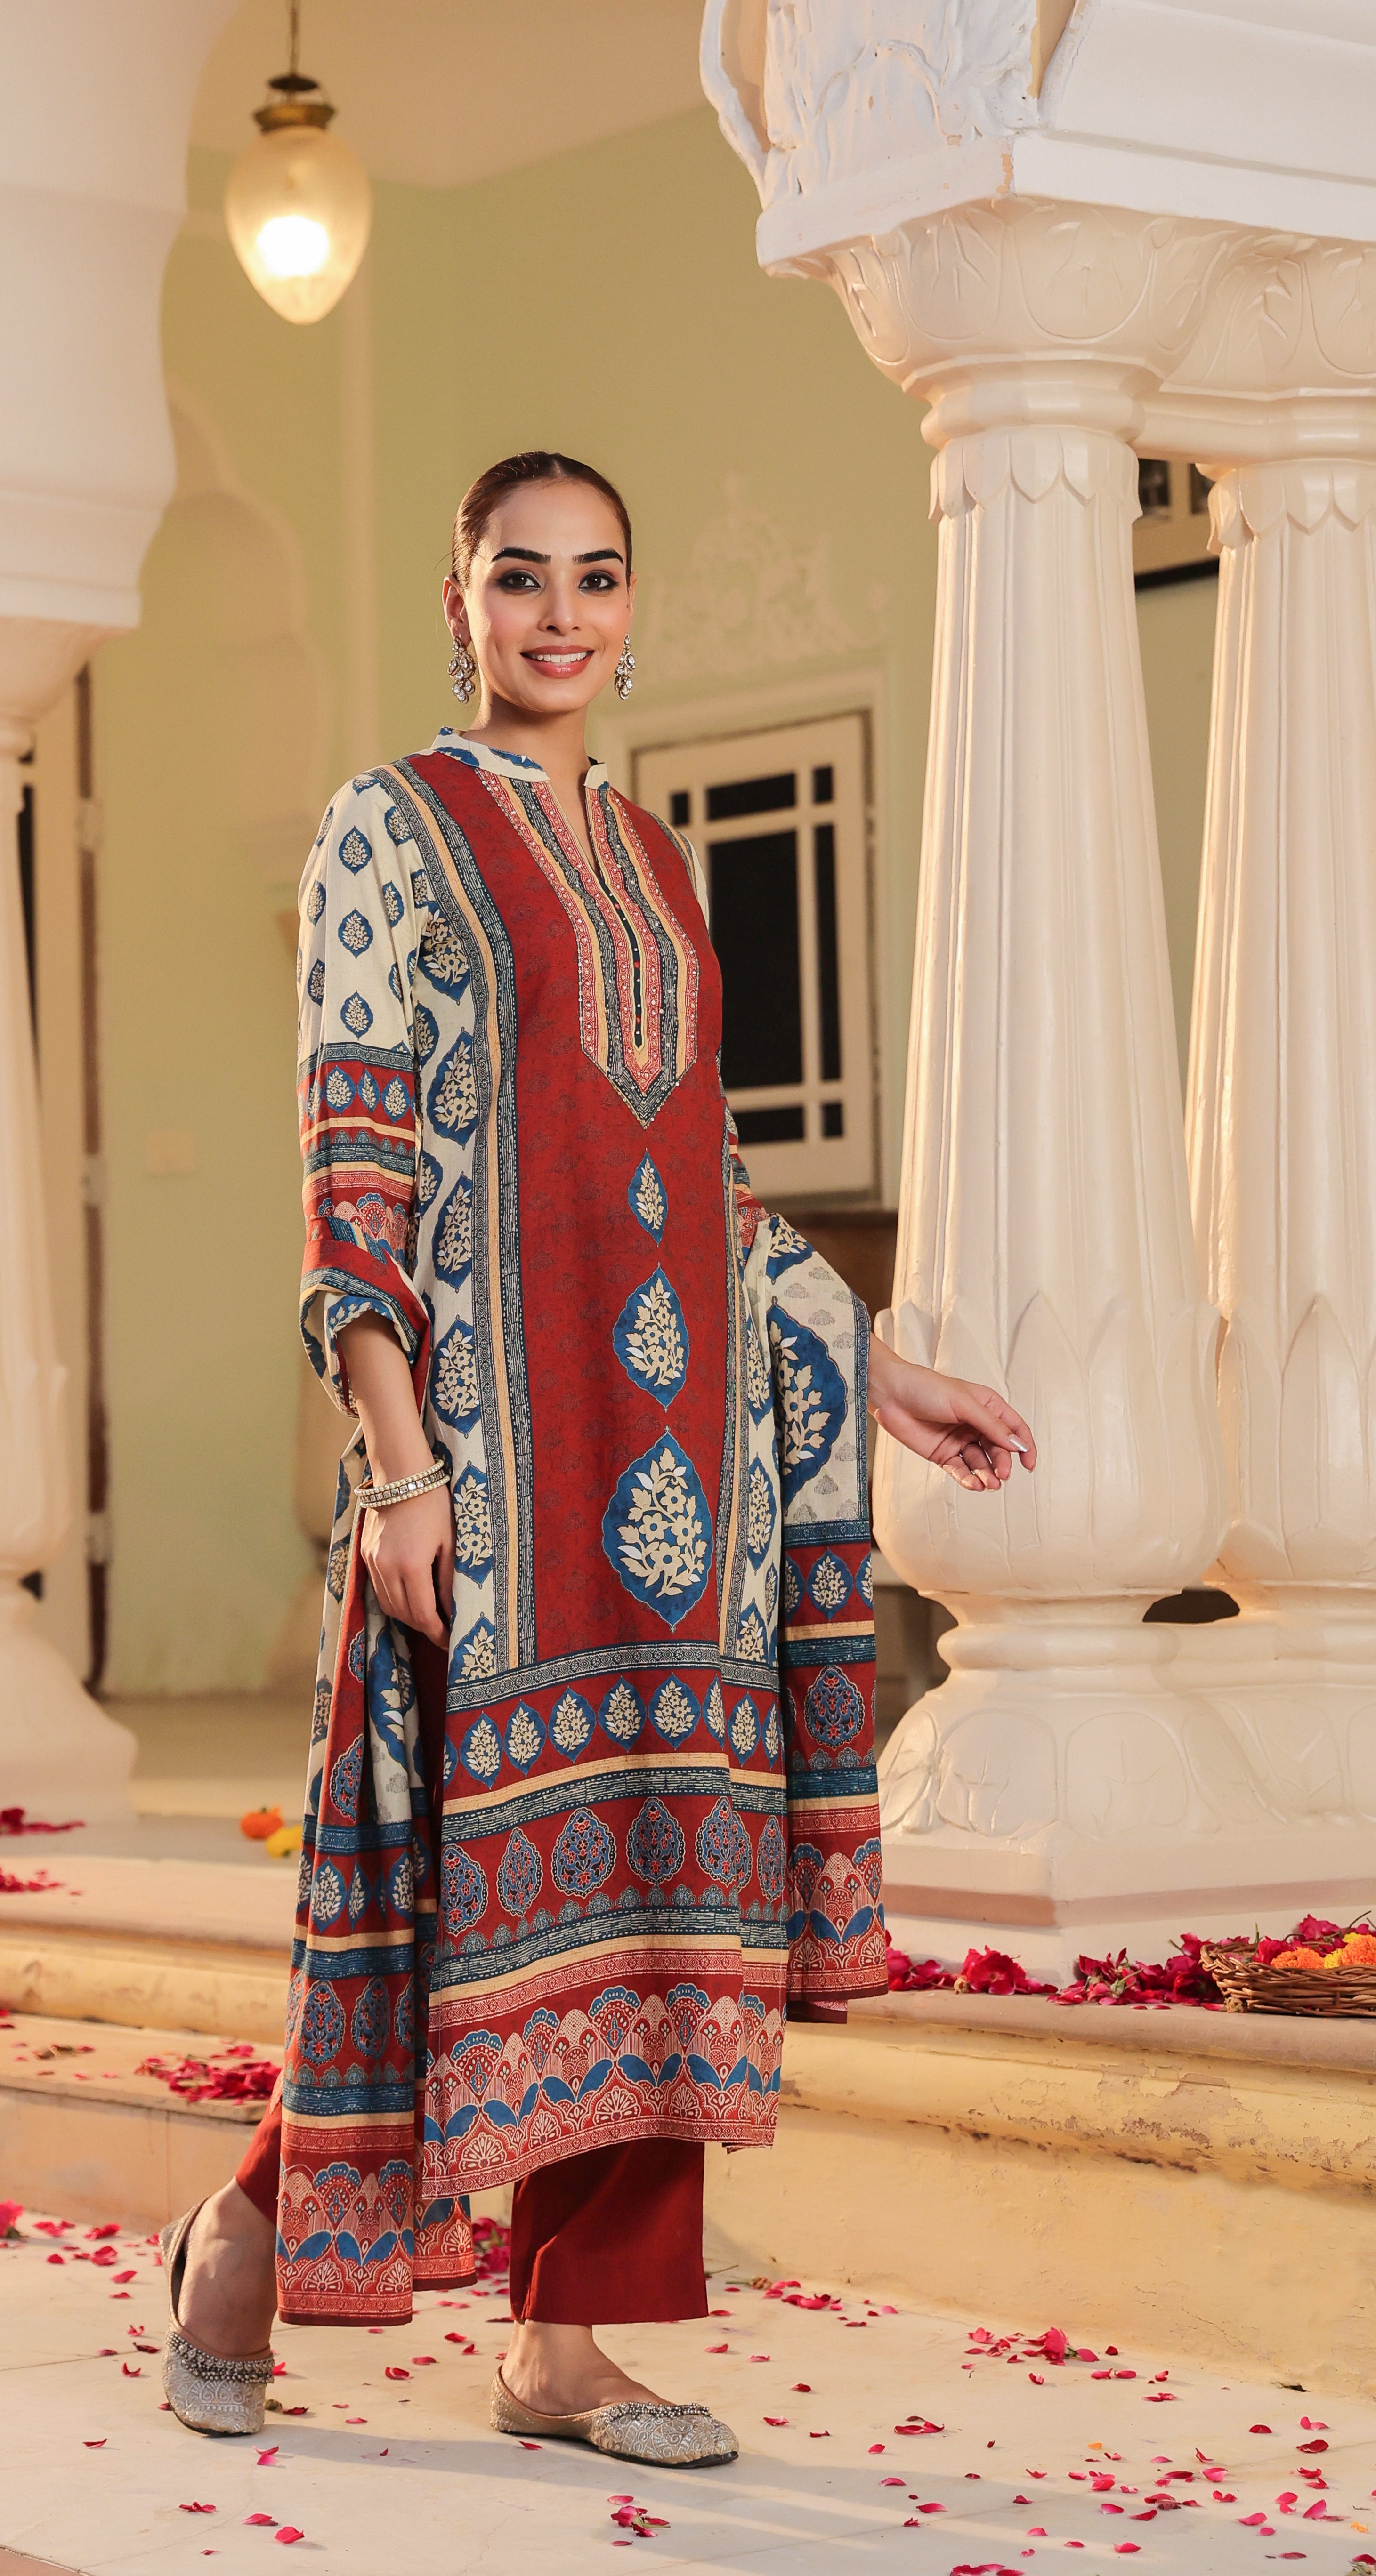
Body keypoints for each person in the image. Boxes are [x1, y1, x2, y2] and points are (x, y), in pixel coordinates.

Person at [159, 451, 1036, 2465]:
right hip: (492, 1454)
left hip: (685, 1470)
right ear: (456, 601)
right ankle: (246, 2235)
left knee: (656, 1882)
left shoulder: (653, 859)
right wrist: (399, 1464)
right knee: (451, 1885)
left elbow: (702, 1181)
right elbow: (355, 1161)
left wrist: (883, 1373)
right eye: (519, 576)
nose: (560, 612)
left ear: (631, 608)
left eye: (596, 576)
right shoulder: (387, 828)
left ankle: (568, 2346)